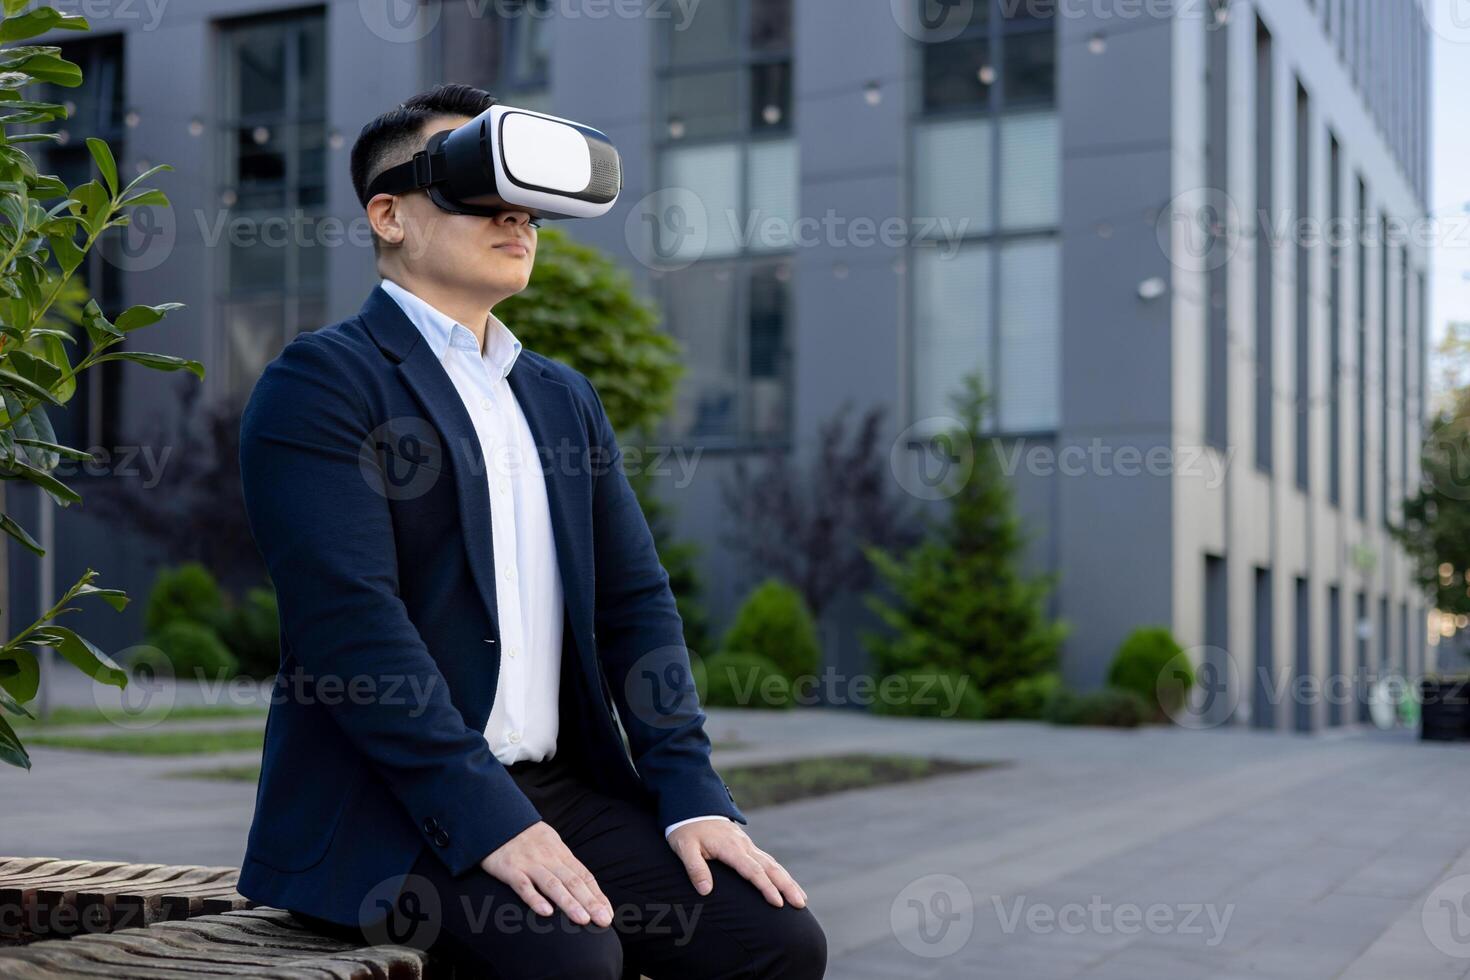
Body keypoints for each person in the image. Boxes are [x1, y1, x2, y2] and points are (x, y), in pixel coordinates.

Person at [236, 84, 827, 979]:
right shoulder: (323, 384)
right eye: (472, 182)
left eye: (528, 200)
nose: (515, 215)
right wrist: (487, 821)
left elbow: (637, 605)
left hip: (558, 784)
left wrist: (693, 798)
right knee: (572, 958)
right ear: (387, 214)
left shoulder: (560, 397)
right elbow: (351, 633)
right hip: (386, 803)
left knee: (773, 941)